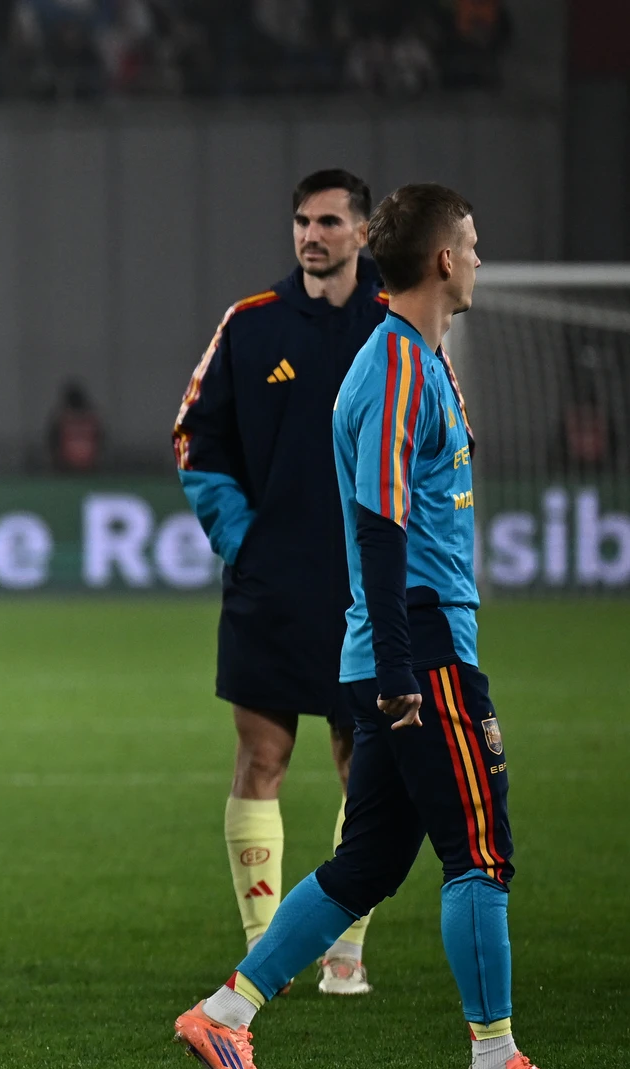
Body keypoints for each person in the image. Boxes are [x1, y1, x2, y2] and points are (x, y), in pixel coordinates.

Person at [175, 184, 537, 1069]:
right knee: (479, 852)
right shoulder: (396, 368)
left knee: (367, 863)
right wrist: (403, 667)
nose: (481, 259)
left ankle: (226, 1012)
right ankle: (497, 1054)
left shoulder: (415, 358)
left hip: (403, 642)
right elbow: (379, 524)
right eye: (475, 243)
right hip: (420, 644)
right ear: (445, 259)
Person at [172, 169, 393, 995]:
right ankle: (267, 948)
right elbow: (194, 436)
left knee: (361, 762)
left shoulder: (394, 324)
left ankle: (344, 952)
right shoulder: (252, 323)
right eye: (303, 220)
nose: (313, 235)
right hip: (272, 581)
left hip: (367, 585)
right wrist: (242, 539)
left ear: (363, 233)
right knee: (261, 756)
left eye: (331, 221)